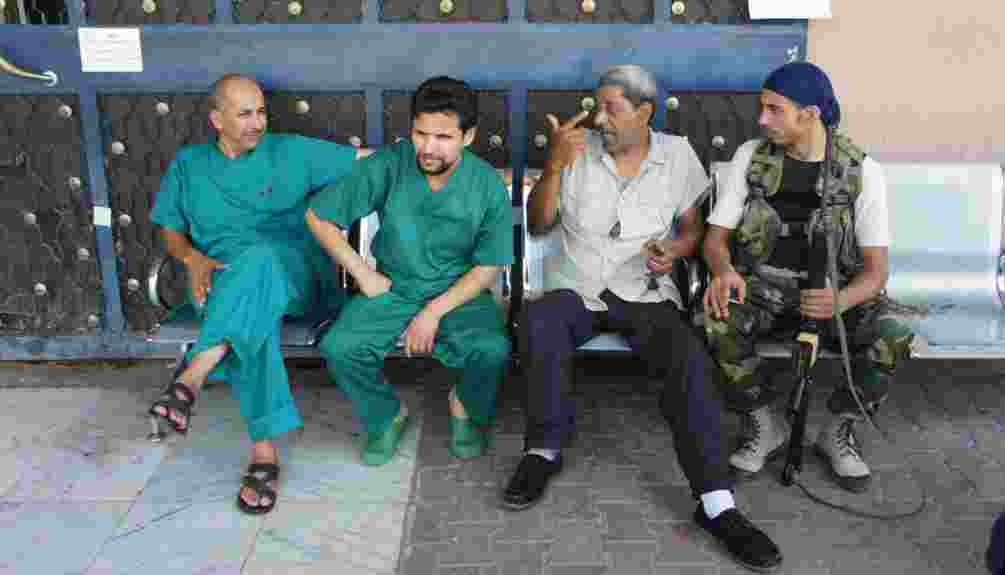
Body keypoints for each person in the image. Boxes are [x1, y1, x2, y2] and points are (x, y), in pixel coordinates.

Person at [502, 64, 783, 573]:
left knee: (689, 358)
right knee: (538, 324)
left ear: (645, 112)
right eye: (598, 107)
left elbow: (693, 231)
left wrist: (672, 250)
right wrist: (555, 166)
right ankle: (542, 451)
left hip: (646, 291)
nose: (599, 119)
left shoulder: (676, 156)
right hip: (577, 286)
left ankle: (716, 503)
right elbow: (540, 225)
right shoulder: (575, 150)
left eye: (611, 109)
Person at [148, 73, 371, 515]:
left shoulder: (291, 152)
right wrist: (192, 258)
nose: (258, 123)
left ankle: (194, 374)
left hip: (293, 275)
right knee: (253, 314)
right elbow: (170, 229)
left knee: (260, 263)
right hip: (216, 279)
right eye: (245, 114)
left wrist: (434, 152)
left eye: (262, 112)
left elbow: (368, 160)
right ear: (217, 120)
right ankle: (262, 453)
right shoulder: (189, 164)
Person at [702, 61, 914, 492]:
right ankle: (763, 425)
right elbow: (715, 240)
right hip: (763, 288)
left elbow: (876, 272)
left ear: (810, 114)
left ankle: (837, 430)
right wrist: (723, 272)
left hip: (833, 293)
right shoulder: (751, 157)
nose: (762, 120)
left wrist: (841, 300)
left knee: (894, 332)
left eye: (774, 110)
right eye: (762, 108)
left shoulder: (861, 171)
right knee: (716, 315)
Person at [306, 76, 513, 467]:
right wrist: (363, 274)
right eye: (421, 134)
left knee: (492, 350)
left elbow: (488, 266)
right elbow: (319, 216)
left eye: (443, 137)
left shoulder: (487, 184)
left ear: (468, 137)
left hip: (458, 293)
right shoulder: (390, 164)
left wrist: (432, 313)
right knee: (340, 347)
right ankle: (385, 416)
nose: (428, 147)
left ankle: (464, 406)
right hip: (394, 287)